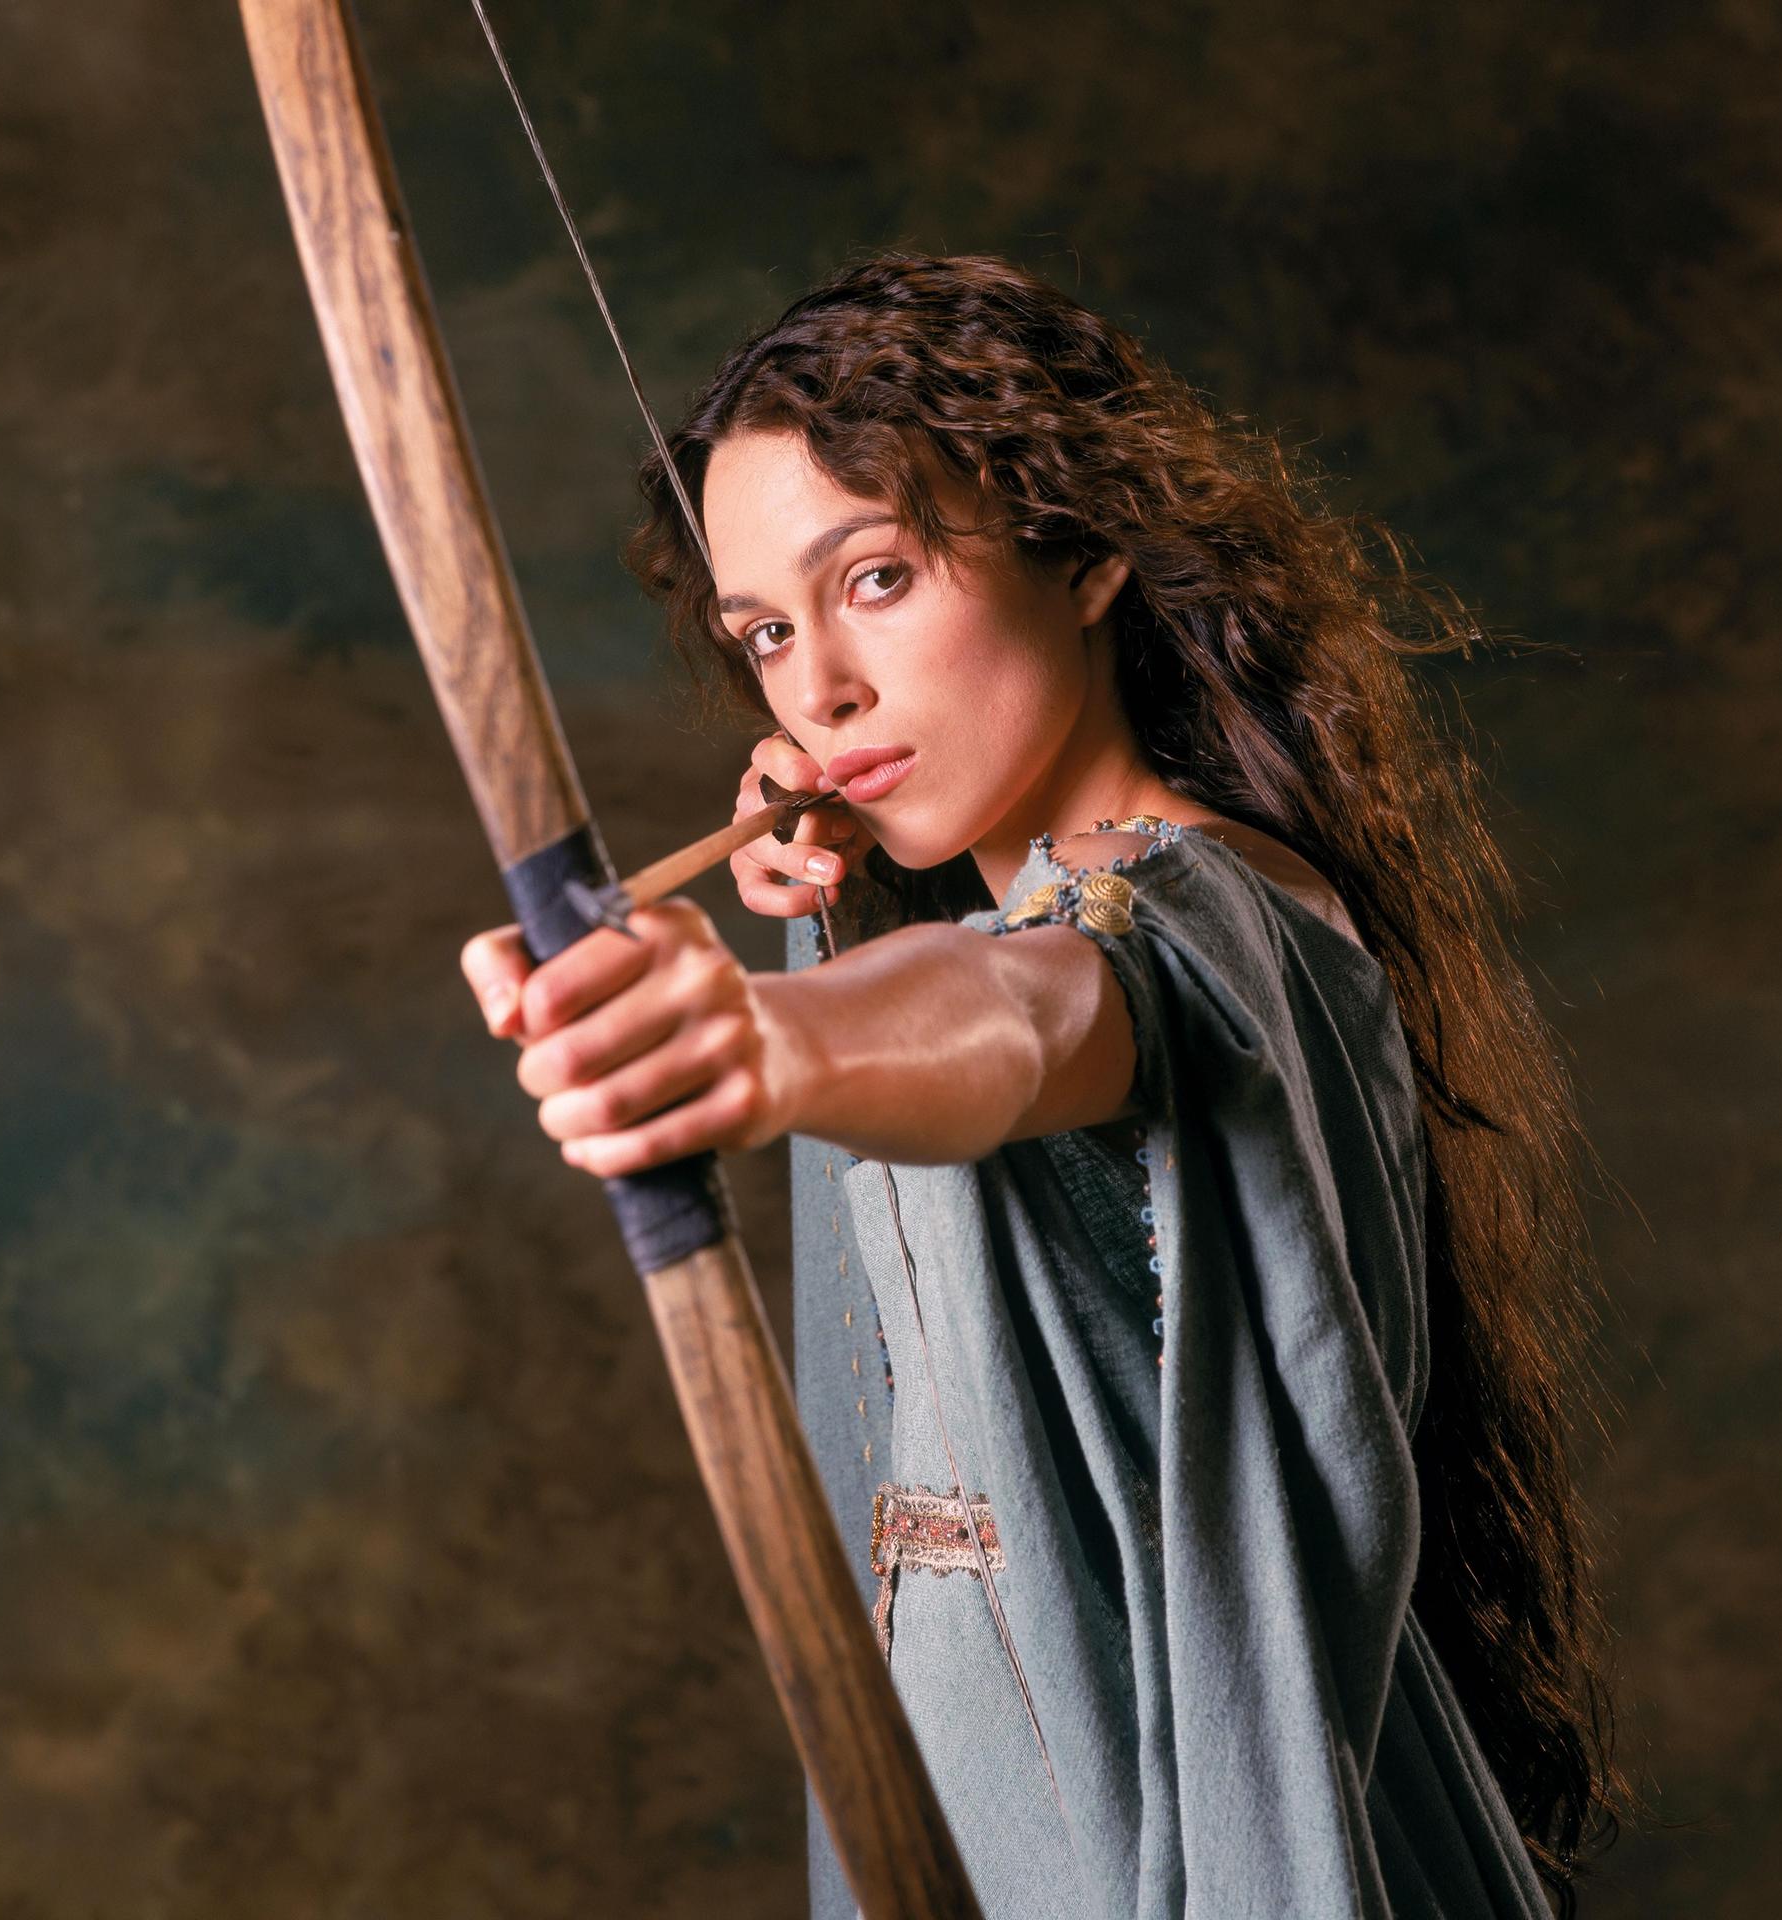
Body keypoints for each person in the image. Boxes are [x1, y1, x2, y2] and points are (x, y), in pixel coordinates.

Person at [458, 253, 1626, 1916]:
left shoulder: (1206, 908)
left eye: (874, 578)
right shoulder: (960, 907)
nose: (817, 686)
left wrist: (767, 1042)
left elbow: (1027, 1008)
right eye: (767, 631)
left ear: (1078, 554)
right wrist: (848, 917)